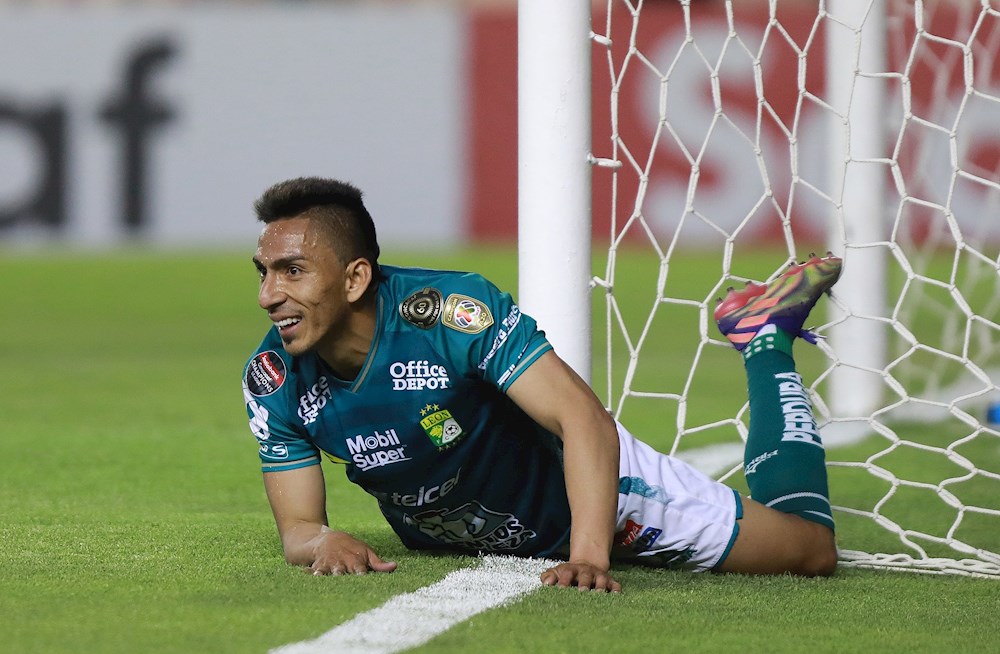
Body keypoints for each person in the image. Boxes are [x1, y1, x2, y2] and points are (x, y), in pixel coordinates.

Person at [242, 176, 839, 593]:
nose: (270, 295)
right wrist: (323, 541)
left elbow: (583, 420)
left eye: (292, 271)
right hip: (479, 531)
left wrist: (586, 555)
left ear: (354, 279)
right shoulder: (274, 380)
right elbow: (297, 526)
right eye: (265, 273)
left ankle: (764, 339)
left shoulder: (451, 313)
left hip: (594, 495)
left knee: (809, 553)